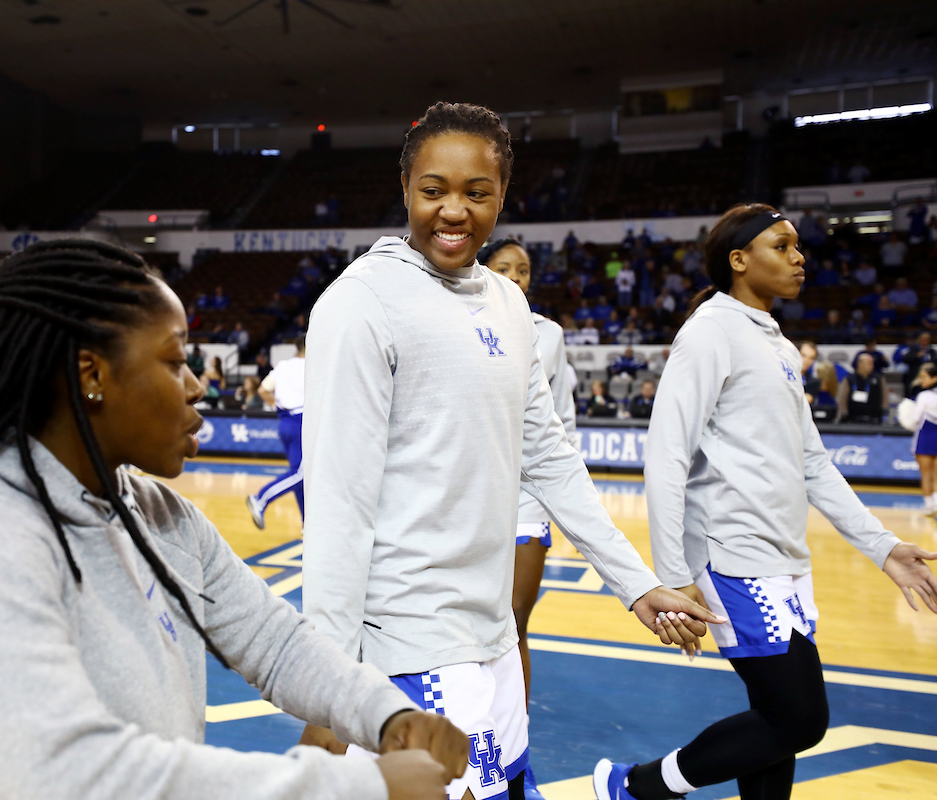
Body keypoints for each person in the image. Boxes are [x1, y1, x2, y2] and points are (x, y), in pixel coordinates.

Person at [0, 239, 470, 800]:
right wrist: (362, 786)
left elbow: (274, 642)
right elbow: (73, 779)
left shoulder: (155, 512)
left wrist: (387, 716)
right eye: (175, 359)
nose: (197, 386)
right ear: (91, 374)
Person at [299, 102, 720, 800]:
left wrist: (636, 582)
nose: (453, 211)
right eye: (433, 191)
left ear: (504, 196)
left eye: (477, 192)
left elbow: (549, 456)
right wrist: (326, 686)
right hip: (413, 642)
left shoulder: (507, 303)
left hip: (492, 636)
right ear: (404, 187)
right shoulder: (359, 303)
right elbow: (339, 503)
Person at [595, 204, 937, 800]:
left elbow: (811, 462)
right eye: (781, 246)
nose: (798, 257)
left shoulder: (779, 344)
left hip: (785, 559)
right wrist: (676, 577)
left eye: (797, 247)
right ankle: (641, 786)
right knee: (799, 719)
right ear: (739, 261)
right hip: (733, 559)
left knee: (776, 722)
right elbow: (667, 457)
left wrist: (883, 546)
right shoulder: (710, 331)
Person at [480, 237, 578, 790]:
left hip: (527, 496)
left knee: (516, 620)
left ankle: (515, 746)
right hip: (470, 496)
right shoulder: (456, 317)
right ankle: (480, 737)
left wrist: (561, 495)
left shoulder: (550, 334)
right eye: (504, 268)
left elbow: (561, 418)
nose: (516, 277)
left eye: (524, 270)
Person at [246, 336, 307, 528]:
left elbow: (263, 390)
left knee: (299, 475)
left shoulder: (283, 366)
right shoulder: (313, 365)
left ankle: (308, 524)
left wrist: (276, 405)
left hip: (285, 422)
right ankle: (261, 498)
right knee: (301, 474)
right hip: (302, 422)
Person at [907, 362, 937, 515]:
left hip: (925, 436)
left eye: (924, 377)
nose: (921, 380)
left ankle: (928, 506)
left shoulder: (923, 396)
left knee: (926, 475)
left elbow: (915, 418)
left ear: (934, 378)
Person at [837, 353, 886, 424]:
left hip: (874, 419)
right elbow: (842, 398)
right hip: (853, 419)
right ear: (860, 364)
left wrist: (885, 411)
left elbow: (885, 397)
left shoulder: (878, 379)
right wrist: (844, 412)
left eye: (872, 363)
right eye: (869, 363)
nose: (872, 366)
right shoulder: (850, 379)